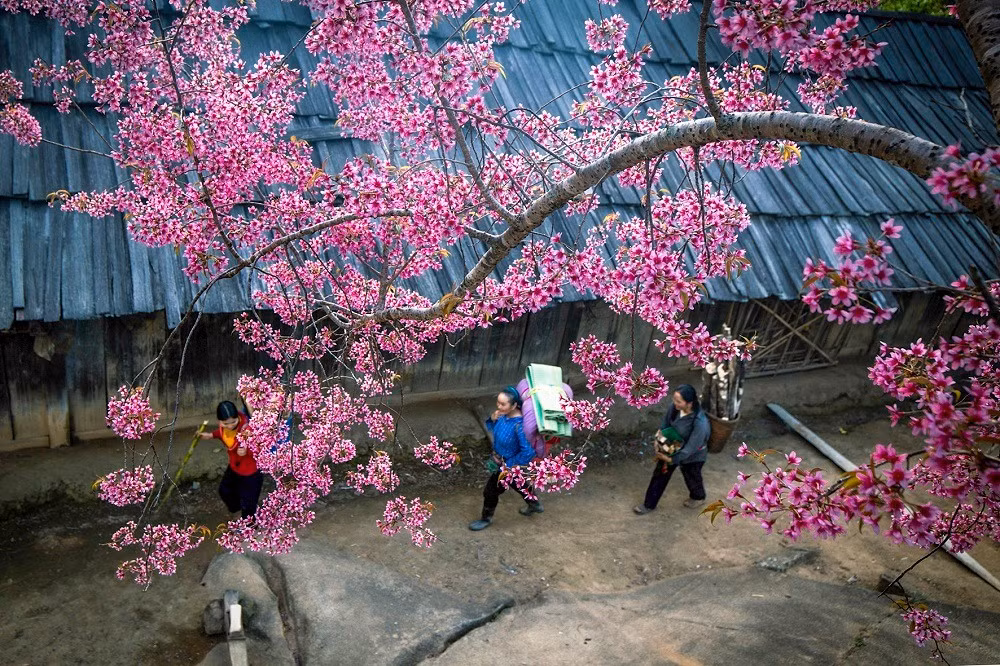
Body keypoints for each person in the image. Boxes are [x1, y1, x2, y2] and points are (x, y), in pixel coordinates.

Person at [468, 386, 541, 531]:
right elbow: (493, 428)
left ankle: (485, 519)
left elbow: (528, 452)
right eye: (498, 403)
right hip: (500, 460)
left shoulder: (519, 426)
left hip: (508, 465)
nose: (499, 406)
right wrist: (493, 419)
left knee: (490, 491)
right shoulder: (502, 416)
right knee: (517, 483)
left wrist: (509, 465)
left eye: (503, 404)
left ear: (514, 405)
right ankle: (535, 504)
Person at [633, 384, 710, 514]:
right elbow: (665, 425)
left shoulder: (700, 422)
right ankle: (649, 504)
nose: (675, 403)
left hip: (693, 455)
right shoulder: (674, 408)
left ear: (689, 403)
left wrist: (670, 459)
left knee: (692, 476)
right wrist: (659, 441)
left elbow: (690, 448)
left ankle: (698, 497)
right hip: (671, 447)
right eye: (674, 400)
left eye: (679, 401)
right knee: (660, 475)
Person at [200, 400, 263, 520]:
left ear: (238, 417)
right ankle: (237, 510)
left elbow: (261, 448)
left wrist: (247, 451)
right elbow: (223, 433)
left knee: (248, 502)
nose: (230, 426)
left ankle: (249, 527)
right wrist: (211, 435)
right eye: (225, 423)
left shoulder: (248, 430)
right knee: (225, 490)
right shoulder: (224, 427)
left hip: (250, 472)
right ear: (220, 421)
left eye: (233, 422)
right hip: (235, 467)